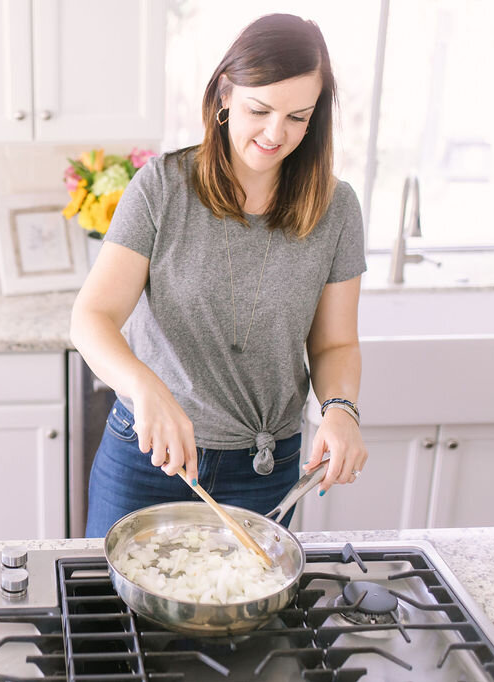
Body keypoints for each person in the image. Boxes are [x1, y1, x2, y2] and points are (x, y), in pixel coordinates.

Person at [71, 13, 369, 538]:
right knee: (113, 618)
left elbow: (336, 343)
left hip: (264, 470)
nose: (276, 133)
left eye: (298, 117)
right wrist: (145, 390)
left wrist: (340, 411)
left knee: (241, 620)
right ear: (224, 96)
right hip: (148, 458)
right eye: (260, 109)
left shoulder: (336, 208)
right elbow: (92, 317)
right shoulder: (161, 188)